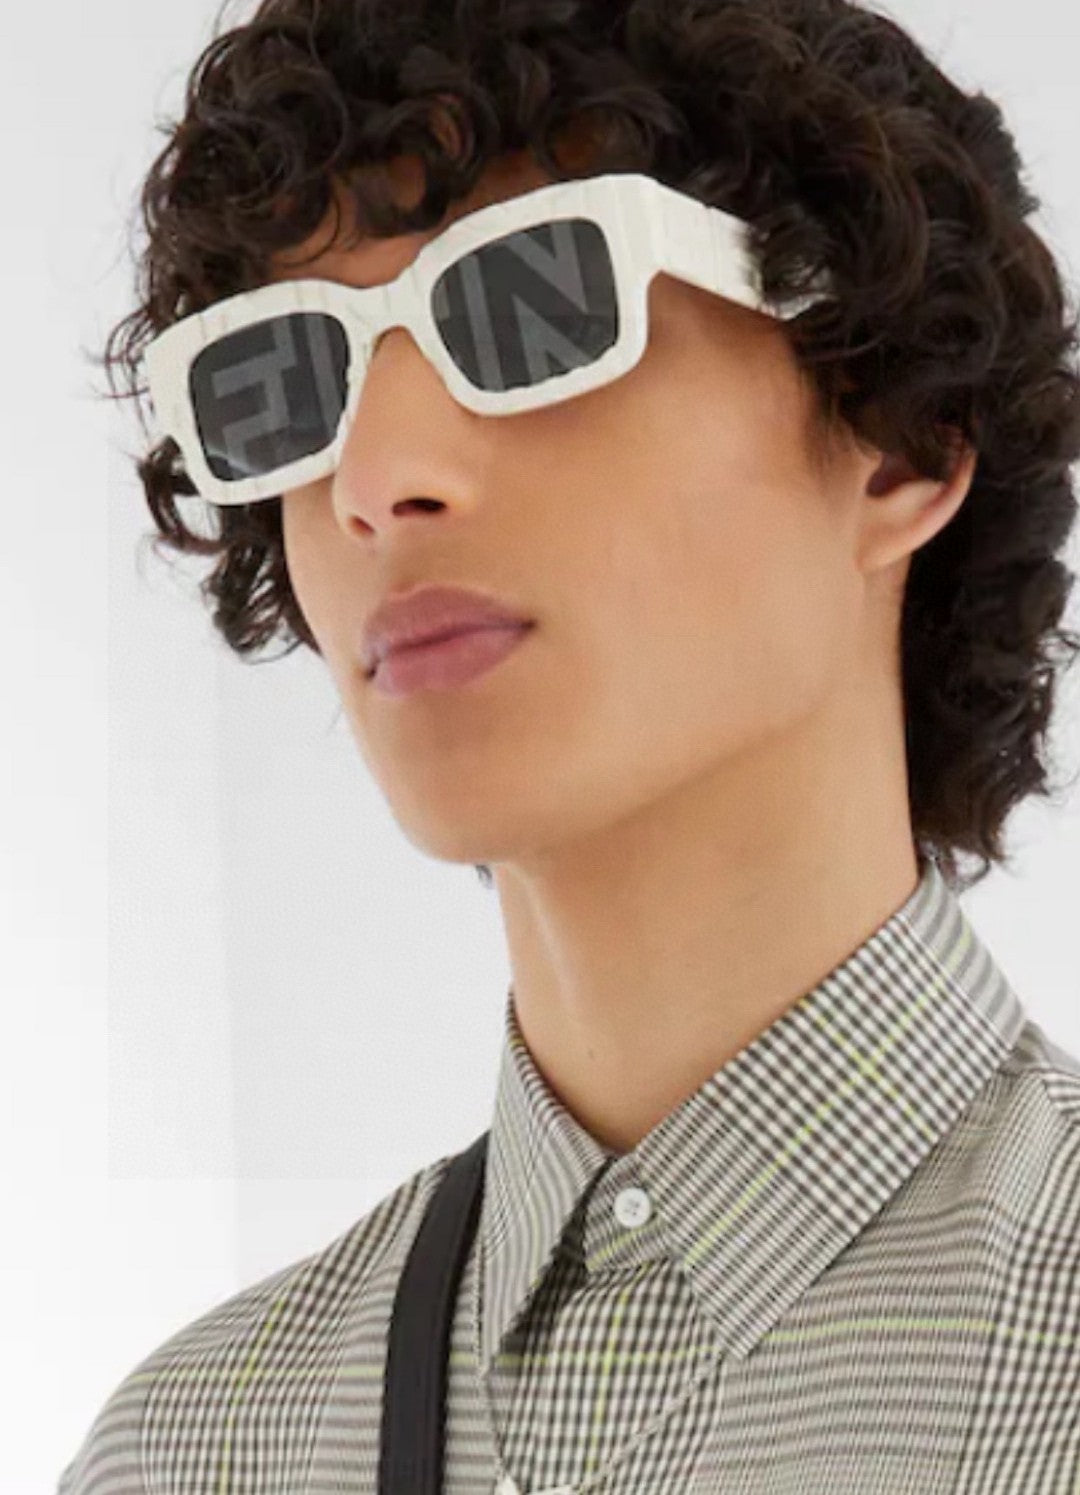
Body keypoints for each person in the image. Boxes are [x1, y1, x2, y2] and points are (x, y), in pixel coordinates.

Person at [63, 0, 1080, 1489]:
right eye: (282, 377)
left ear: (902, 437)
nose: (376, 477)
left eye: (533, 304)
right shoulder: (198, 1454)